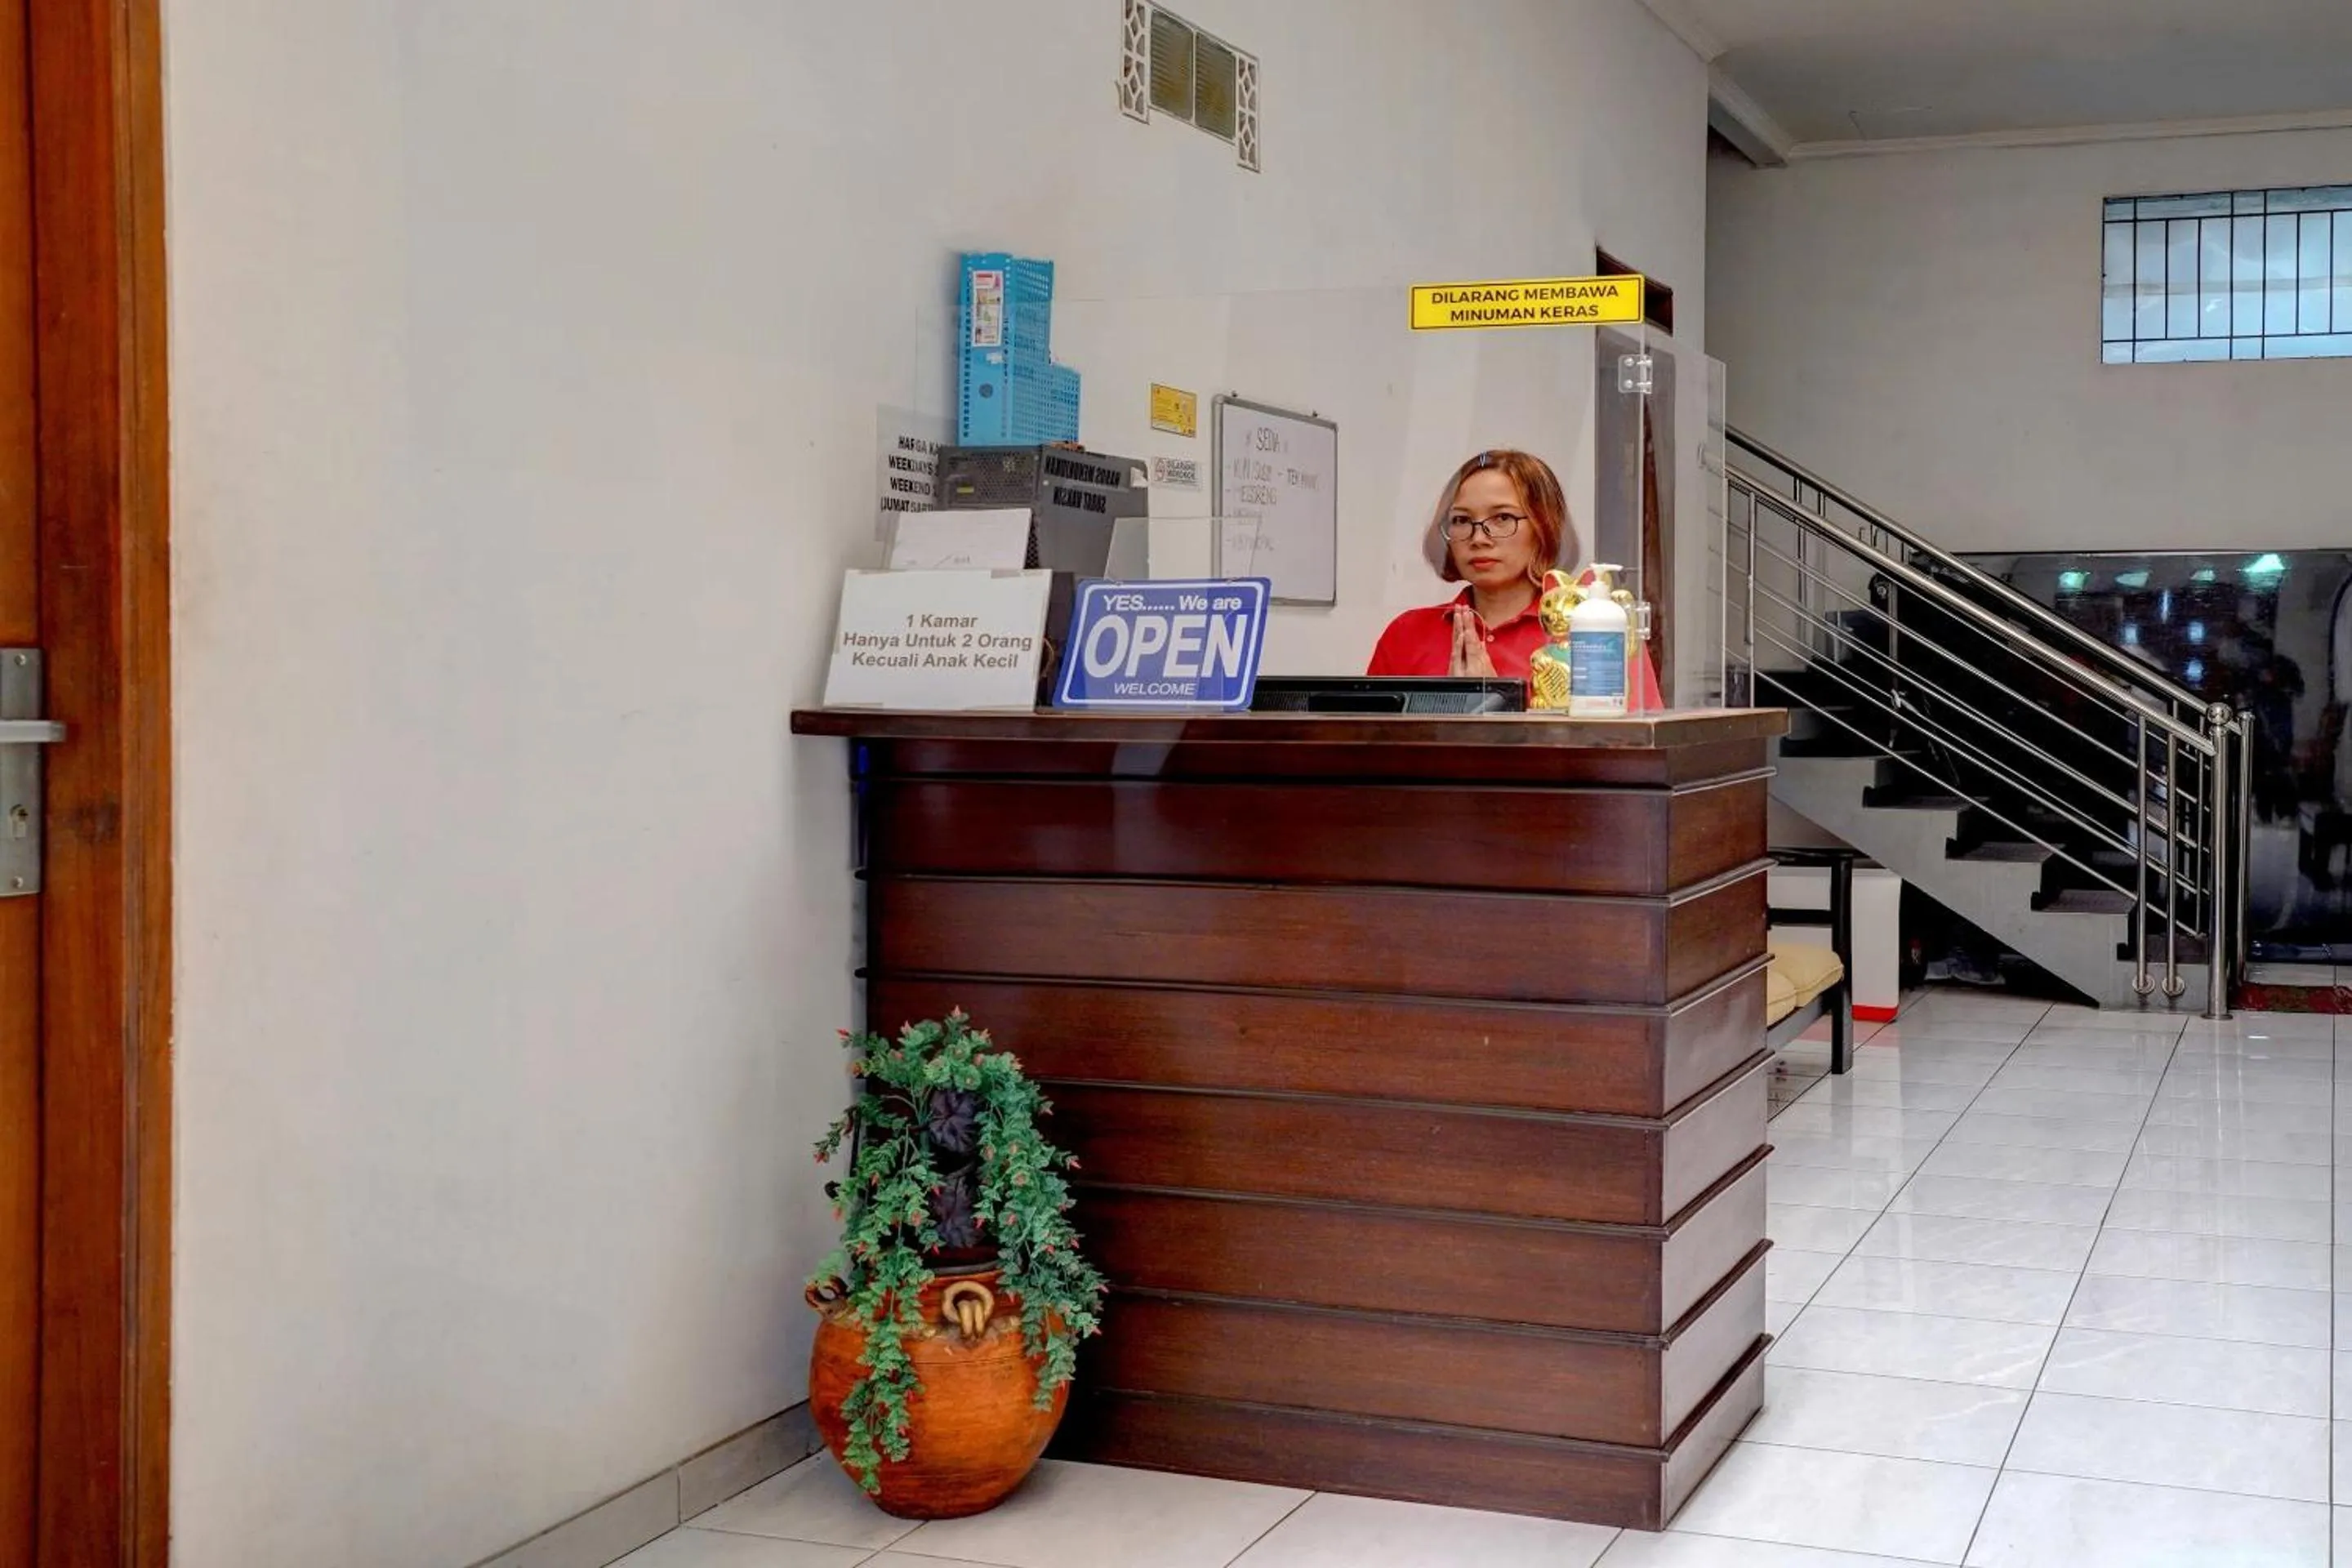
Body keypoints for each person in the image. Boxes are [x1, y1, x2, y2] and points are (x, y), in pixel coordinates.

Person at [1367, 448, 1579, 679]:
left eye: (1503, 518)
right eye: (1461, 520)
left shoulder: (1586, 633)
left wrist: (1492, 696)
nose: (1478, 538)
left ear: (1545, 526)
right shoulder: (1407, 634)